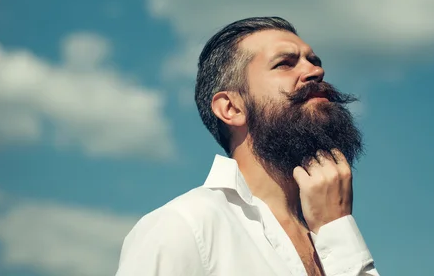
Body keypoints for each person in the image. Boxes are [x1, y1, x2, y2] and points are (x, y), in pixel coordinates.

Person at [115, 17, 380, 276]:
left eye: (314, 61)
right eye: (284, 64)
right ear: (231, 108)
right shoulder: (184, 226)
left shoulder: (329, 226)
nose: (315, 72)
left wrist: (336, 230)